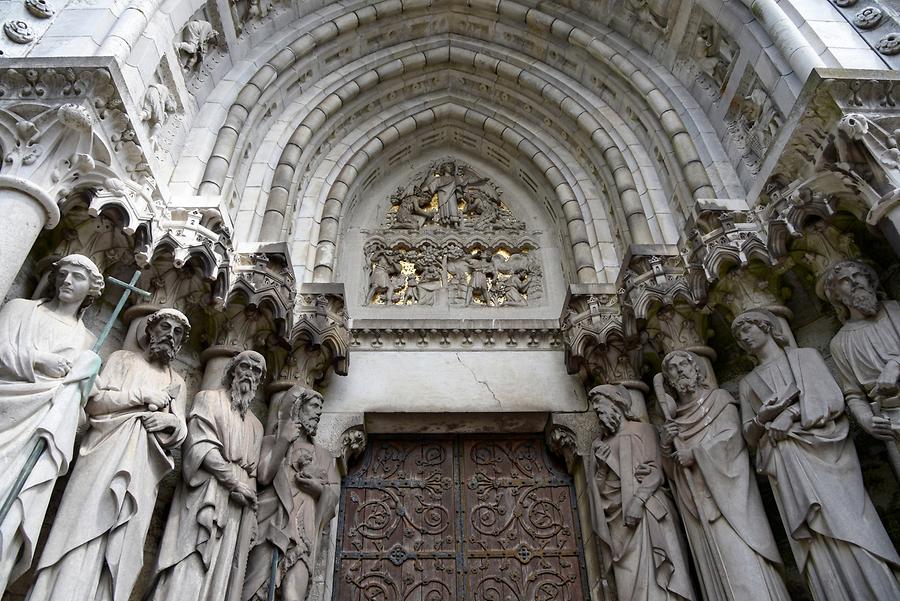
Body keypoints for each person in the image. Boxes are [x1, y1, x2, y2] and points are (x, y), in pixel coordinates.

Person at [733, 309, 900, 601]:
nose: (743, 337)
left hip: (827, 455)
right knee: (816, 543)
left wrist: (792, 414)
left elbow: (833, 400)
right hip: (786, 465)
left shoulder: (805, 358)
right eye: (737, 335)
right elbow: (749, 436)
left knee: (853, 526)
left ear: (767, 326)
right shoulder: (747, 383)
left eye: (747, 328)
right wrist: (765, 417)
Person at [27, 309, 190, 601]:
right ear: (149, 330)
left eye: (178, 332)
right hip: (103, 454)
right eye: (165, 327)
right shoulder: (122, 360)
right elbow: (95, 403)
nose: (170, 335)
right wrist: (141, 397)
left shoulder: (178, 381)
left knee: (122, 541)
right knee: (81, 527)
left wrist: (169, 423)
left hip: (143, 468)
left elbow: (180, 431)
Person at [0, 255, 104, 592]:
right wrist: (38, 359)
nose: (67, 281)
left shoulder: (88, 342)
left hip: (41, 432)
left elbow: (79, 401)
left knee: (13, 510)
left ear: (91, 291)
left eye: (77, 277)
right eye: (63, 274)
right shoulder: (20, 310)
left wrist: (83, 384)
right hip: (8, 408)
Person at [657, 350, 789, 601]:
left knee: (743, 564)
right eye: (672, 369)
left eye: (684, 363)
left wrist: (695, 455)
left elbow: (731, 439)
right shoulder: (674, 422)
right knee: (719, 569)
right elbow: (672, 474)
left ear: (697, 368)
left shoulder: (719, 399)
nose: (680, 370)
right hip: (697, 505)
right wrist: (665, 445)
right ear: (670, 381)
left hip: (732, 499)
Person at [149, 350, 266, 601]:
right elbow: (200, 446)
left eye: (257, 372)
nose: (250, 374)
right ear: (233, 370)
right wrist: (233, 481)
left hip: (237, 507)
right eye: (245, 366)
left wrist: (252, 510)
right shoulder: (208, 399)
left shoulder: (257, 425)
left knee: (221, 572)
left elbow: (252, 473)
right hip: (207, 491)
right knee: (192, 555)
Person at [585, 384, 695, 601]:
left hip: (647, 513)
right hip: (619, 526)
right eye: (595, 407)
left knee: (660, 579)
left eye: (600, 403)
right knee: (630, 588)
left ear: (616, 403)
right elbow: (596, 495)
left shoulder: (643, 430)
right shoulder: (598, 446)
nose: (597, 410)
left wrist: (638, 500)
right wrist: (603, 467)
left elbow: (656, 473)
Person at [242, 385, 339, 601]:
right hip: (270, 525)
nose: (318, 413)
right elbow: (264, 476)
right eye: (314, 406)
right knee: (255, 592)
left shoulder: (323, 456)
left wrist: (319, 490)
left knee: (292, 595)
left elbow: (333, 497)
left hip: (302, 530)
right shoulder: (270, 442)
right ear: (297, 408)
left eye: (321, 408)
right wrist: (283, 440)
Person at [824, 260, 900, 479]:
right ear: (837, 295)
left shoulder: (895, 310)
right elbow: (853, 393)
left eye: (859, 276)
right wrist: (866, 419)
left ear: (871, 280)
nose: (855, 283)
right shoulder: (840, 343)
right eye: (846, 282)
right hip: (891, 419)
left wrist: (895, 365)